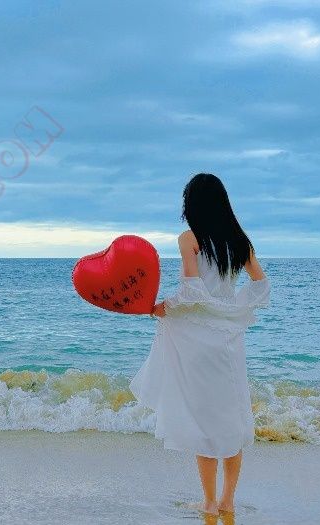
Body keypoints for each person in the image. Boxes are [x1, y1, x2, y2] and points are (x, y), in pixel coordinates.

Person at [129, 173, 270, 517]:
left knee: (204, 421)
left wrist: (162, 308)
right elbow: (261, 285)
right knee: (231, 419)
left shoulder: (189, 238)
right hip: (229, 341)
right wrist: (232, 309)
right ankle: (227, 501)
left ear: (191, 204)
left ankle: (208, 502)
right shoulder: (239, 240)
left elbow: (191, 291)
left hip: (198, 342)